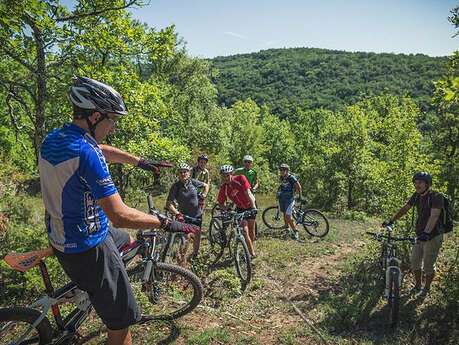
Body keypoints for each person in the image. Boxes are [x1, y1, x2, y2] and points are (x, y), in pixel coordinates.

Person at [38, 76, 198, 345]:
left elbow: (103, 151)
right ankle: (103, 296)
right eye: (112, 120)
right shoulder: (86, 152)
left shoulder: (58, 138)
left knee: (125, 241)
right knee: (123, 322)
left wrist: (140, 162)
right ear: (96, 116)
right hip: (87, 247)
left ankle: (92, 290)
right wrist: (164, 222)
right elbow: (120, 215)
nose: (113, 127)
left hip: (64, 231)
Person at [383, 172, 444, 298]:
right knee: (415, 262)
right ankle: (417, 285)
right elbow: (405, 208)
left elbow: (434, 216)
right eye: (415, 183)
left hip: (433, 236)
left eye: (420, 182)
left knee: (428, 265)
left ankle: (426, 288)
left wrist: (426, 233)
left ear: (427, 184)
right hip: (420, 235)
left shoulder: (436, 196)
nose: (417, 185)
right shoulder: (416, 196)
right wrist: (392, 220)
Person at [166, 163, 209, 264]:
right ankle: (181, 260)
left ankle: (195, 254)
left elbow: (206, 185)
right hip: (184, 216)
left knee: (197, 235)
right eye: (180, 172)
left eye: (185, 172)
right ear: (178, 174)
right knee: (186, 238)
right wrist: (177, 213)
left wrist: (204, 195)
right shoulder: (175, 187)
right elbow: (169, 204)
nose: (183, 174)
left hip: (197, 215)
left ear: (189, 173)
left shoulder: (193, 183)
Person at [217, 165, 257, 258]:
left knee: (251, 229)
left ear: (231, 174)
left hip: (250, 205)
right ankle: (251, 254)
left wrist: (253, 207)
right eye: (223, 176)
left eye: (227, 175)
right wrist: (227, 209)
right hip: (239, 208)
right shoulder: (224, 188)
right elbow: (220, 203)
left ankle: (251, 247)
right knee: (244, 230)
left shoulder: (240, 178)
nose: (225, 178)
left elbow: (248, 193)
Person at [277, 164, 302, 240]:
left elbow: (299, 187)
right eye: (280, 170)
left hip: (290, 199)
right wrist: (278, 193)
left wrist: (299, 197)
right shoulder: (282, 177)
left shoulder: (291, 178)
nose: (281, 171)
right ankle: (287, 227)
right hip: (282, 198)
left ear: (287, 170)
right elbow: (281, 186)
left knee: (288, 216)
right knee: (284, 213)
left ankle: (295, 231)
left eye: (283, 170)